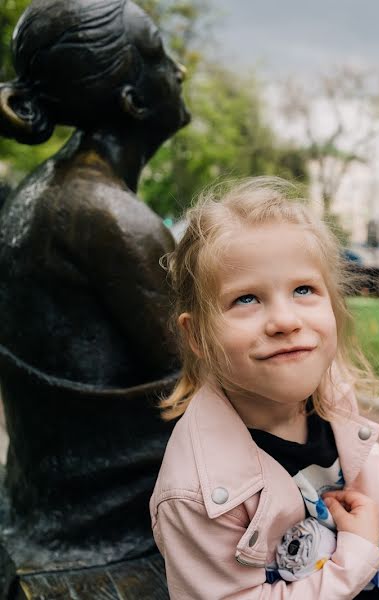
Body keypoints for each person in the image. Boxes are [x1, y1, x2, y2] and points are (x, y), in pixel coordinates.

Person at [150, 178, 379, 600]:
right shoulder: (196, 493)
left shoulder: (328, 391)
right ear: (197, 336)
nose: (284, 321)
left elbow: (365, 462)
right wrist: (353, 556)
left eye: (303, 289)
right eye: (246, 299)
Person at [0, 0, 189, 578]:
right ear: (131, 100)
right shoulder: (110, 217)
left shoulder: (48, 190)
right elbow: (205, 383)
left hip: (45, 494)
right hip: (96, 519)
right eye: (158, 53)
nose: (178, 69)